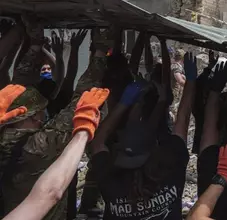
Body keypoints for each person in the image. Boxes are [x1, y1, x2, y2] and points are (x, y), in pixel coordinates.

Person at [89, 52, 195, 220]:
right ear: (154, 148)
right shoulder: (170, 170)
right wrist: (191, 81)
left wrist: (124, 102)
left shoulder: (110, 180)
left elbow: (97, 142)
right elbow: (182, 120)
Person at [4, 87, 110, 220]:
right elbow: (50, 193)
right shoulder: (39, 144)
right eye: (43, 111)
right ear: (35, 115)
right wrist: (83, 132)